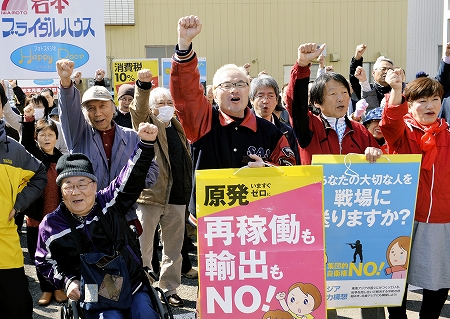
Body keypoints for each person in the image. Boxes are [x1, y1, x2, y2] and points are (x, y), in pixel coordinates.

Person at [170, 15, 296, 227]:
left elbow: (290, 169)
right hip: (214, 222)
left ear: (249, 91)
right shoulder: (203, 122)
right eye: (226, 85)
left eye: (240, 84)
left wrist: (266, 168)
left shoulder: (271, 132)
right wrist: (184, 46)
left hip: (260, 220)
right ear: (214, 94)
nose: (234, 89)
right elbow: (186, 94)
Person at [35, 122, 160, 319]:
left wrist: (145, 144)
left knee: (145, 314)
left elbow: (130, 177)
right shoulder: (52, 225)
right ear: (61, 190)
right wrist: (68, 281)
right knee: (109, 317)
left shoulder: (109, 202)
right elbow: (44, 261)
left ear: (94, 186)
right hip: (91, 290)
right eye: (68, 185)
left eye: (82, 184)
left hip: (131, 281)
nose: (76, 192)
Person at [380, 71, 450, 319]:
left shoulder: (449, 134)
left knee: (439, 274)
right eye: (422, 101)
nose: (430, 106)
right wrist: (396, 90)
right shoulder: (402, 132)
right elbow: (389, 124)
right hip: (401, 217)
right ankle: (396, 317)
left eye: (435, 99)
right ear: (410, 105)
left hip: (440, 219)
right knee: (397, 272)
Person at [56, 59, 149, 232]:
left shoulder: (132, 137)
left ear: (113, 107)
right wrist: (66, 82)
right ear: (84, 112)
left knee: (127, 258)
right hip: (87, 217)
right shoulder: (78, 135)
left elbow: (151, 171)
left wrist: (130, 188)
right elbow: (69, 110)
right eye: (91, 108)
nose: (97, 113)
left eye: (102, 106)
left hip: (124, 215)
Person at [130, 71, 193, 307]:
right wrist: (143, 87)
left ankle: (169, 289)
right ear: (152, 108)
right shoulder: (148, 125)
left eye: (169, 102)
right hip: (151, 197)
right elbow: (138, 110)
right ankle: (142, 289)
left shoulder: (179, 127)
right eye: (160, 103)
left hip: (177, 198)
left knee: (174, 250)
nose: (166, 106)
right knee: (143, 248)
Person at [286, 42, 382, 166]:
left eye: (344, 92)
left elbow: (379, 171)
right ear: (316, 102)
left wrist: (375, 153)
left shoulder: (361, 131)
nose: (340, 98)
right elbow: (296, 104)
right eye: (333, 94)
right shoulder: (309, 126)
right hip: (317, 186)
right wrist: (302, 66)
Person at [0, 84, 48, 318]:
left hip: (5, 247)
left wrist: (18, 204)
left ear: (2, 110)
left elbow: (40, 176)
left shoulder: (14, 151)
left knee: (17, 308)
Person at [21, 105, 66, 306]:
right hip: (36, 218)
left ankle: (58, 287)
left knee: (60, 253)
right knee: (40, 255)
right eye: (43, 134)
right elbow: (27, 141)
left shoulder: (64, 159)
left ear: (56, 137)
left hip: (59, 218)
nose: (47, 138)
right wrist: (29, 119)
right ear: (37, 137)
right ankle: (46, 289)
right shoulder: (32, 155)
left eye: (50, 134)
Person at [249, 74, 301, 164]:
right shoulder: (241, 127)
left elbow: (294, 163)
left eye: (270, 96)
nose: (265, 101)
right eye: (260, 96)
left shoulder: (286, 131)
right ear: (251, 100)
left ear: (277, 100)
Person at [2, 93, 69, 154]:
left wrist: (57, 163)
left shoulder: (57, 126)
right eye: (32, 107)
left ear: (45, 108)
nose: (34, 110)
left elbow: (65, 149)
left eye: (38, 106)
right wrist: (2, 94)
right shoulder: (23, 123)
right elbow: (8, 113)